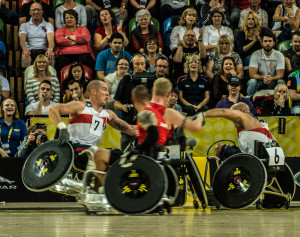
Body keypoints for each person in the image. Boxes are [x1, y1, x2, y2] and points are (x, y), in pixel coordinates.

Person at [48, 80, 136, 189]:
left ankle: (101, 189)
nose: (108, 94)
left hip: (93, 152)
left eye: (108, 91)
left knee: (120, 156)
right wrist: (62, 128)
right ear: (93, 91)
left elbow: (130, 129)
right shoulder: (80, 106)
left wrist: (153, 128)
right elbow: (52, 110)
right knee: (96, 151)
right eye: (104, 90)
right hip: (74, 153)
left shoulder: (108, 114)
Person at [205, 102, 276, 161]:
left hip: (249, 158)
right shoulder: (262, 122)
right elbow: (274, 141)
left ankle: (222, 176)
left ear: (241, 111)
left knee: (219, 147)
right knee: (231, 146)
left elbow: (223, 112)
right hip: (265, 158)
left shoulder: (244, 117)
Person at [114, 53, 147, 151]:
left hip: (145, 128)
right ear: (132, 65)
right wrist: (123, 107)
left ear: (146, 65)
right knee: (125, 158)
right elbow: (116, 104)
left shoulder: (151, 81)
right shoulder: (125, 80)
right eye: (137, 64)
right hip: (128, 127)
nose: (140, 67)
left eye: (142, 64)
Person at [54, 9, 95, 77]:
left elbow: (85, 38)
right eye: (67, 18)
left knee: (86, 59)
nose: (69, 19)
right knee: (61, 62)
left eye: (71, 17)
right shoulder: (60, 30)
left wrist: (69, 37)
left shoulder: (83, 28)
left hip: (83, 54)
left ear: (76, 19)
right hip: (64, 55)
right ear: (64, 20)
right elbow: (59, 40)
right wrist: (77, 42)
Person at [248, 30, 286, 96]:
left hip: (274, 81)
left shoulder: (279, 55)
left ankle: (281, 102)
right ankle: (249, 101)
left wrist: (271, 78)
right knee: (252, 81)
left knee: (281, 82)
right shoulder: (255, 54)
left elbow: (280, 75)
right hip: (259, 81)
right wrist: (263, 78)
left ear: (273, 43)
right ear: (262, 43)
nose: (268, 43)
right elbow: (252, 74)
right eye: (265, 41)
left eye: (270, 41)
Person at [19, 2, 55, 68]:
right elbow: (22, 39)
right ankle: (27, 76)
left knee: (50, 56)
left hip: (44, 50)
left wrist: (50, 49)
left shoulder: (48, 25)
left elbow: (51, 38)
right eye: (34, 10)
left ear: (42, 12)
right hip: (30, 50)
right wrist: (25, 49)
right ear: (30, 12)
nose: (36, 12)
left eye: (38, 10)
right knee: (25, 56)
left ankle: (50, 77)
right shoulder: (24, 25)